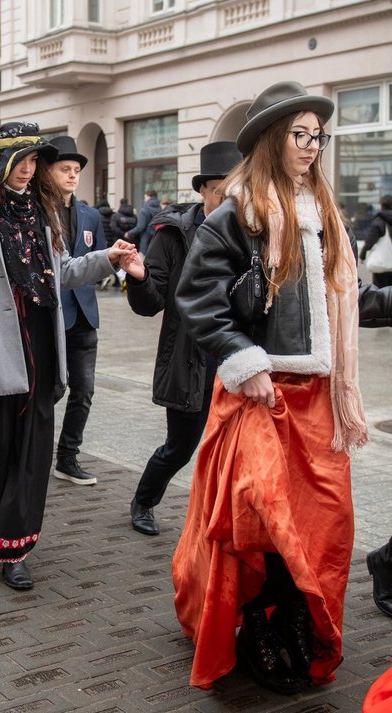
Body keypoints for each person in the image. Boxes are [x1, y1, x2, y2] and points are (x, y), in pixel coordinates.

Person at [172, 81, 392, 694]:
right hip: (259, 398)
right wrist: (248, 363)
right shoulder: (237, 214)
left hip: (316, 403)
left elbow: (343, 302)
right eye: (300, 135)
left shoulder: (324, 216)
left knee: (322, 523)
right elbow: (198, 301)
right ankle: (259, 627)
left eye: (318, 137)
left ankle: (298, 621)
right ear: (272, 138)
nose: (311, 146)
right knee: (263, 521)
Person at [0, 122, 136, 591]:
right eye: (18, 161)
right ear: (0, 163)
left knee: (32, 451)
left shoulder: (46, 212)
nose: (26, 170)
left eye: (31, 161)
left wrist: (110, 258)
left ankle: (13, 543)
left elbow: (63, 272)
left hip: (42, 342)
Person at [124, 141, 241, 535]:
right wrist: (139, 278)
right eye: (220, 191)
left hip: (238, 358)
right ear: (203, 191)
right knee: (181, 446)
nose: (228, 199)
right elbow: (150, 302)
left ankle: (221, 521)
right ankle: (144, 500)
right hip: (192, 358)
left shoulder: (249, 233)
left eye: (235, 191)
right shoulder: (174, 234)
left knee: (234, 450)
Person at [47, 136, 108, 487]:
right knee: (52, 390)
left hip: (84, 315)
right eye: (65, 169)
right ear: (50, 172)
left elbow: (97, 260)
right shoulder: (40, 211)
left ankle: (67, 458)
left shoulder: (90, 214)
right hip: (52, 316)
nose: (72, 176)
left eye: (76, 171)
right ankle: (31, 450)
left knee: (84, 391)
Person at [359, 195, 392, 287]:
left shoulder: (379, 222)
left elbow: (370, 241)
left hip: (381, 265)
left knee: (379, 291)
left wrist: (363, 255)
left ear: (381, 206)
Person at [125, 189, 161, 254]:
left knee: (143, 262)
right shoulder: (160, 209)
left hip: (146, 241)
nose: (144, 199)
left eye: (145, 197)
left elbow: (140, 227)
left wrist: (129, 233)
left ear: (148, 196)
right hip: (158, 239)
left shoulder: (145, 210)